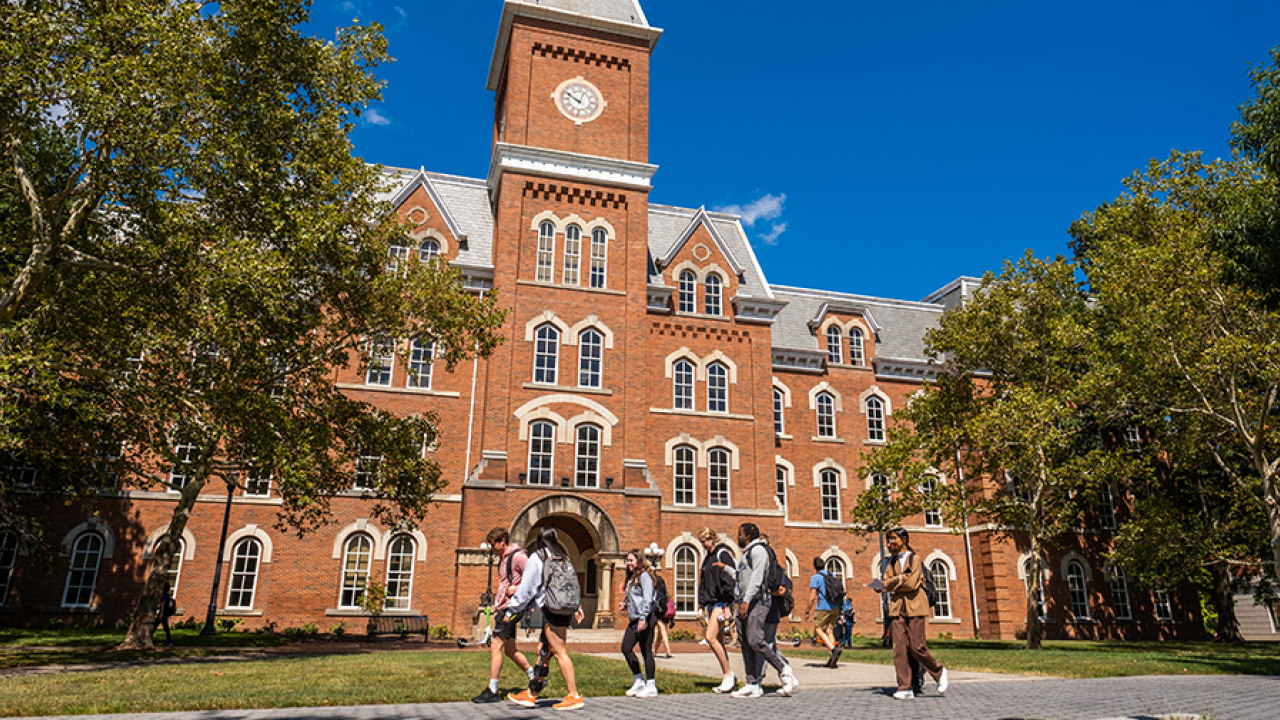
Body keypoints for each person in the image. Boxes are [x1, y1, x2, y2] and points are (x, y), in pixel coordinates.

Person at [505, 527, 587, 711]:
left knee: (559, 651)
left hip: (552, 610)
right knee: (543, 650)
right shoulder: (563, 557)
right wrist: (577, 606)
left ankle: (573, 695)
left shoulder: (539, 557)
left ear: (539, 539)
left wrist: (512, 611)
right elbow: (572, 585)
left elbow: (527, 587)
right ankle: (531, 693)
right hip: (563, 608)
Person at [872, 528, 948, 700]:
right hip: (898, 608)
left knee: (916, 647)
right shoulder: (890, 562)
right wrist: (900, 579)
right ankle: (904, 687)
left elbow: (913, 584)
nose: (889, 544)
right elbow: (886, 582)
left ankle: (939, 671)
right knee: (899, 649)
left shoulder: (915, 559)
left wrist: (892, 584)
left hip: (916, 607)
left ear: (904, 539)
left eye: (893, 539)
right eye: (888, 540)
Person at [732, 523, 798, 698]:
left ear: (748, 536)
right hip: (745, 601)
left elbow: (757, 577)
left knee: (756, 640)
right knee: (746, 644)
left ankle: (784, 669)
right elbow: (743, 577)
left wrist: (746, 601)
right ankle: (751, 683)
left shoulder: (758, 551)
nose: (737, 537)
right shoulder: (747, 553)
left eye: (739, 534)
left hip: (758, 601)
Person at [472, 527, 536, 703]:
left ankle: (492, 690)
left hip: (511, 608)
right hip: (504, 607)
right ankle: (534, 678)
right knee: (510, 650)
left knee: (496, 645)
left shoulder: (518, 557)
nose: (492, 548)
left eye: (494, 545)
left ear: (503, 541)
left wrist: (517, 589)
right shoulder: (503, 558)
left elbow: (534, 577)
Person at [695, 526, 737, 693]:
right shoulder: (707, 559)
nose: (703, 544)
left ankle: (728, 675)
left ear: (712, 539)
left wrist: (728, 604)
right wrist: (701, 605)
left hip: (721, 602)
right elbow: (703, 583)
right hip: (712, 603)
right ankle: (728, 676)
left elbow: (730, 578)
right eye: (701, 542)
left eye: (704, 541)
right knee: (718, 641)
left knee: (710, 637)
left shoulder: (722, 554)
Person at [618, 549, 660, 698]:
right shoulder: (633, 578)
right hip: (635, 618)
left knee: (646, 650)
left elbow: (647, 598)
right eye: (628, 560)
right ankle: (639, 680)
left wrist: (643, 618)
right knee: (626, 647)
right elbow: (635, 597)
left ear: (639, 560)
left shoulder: (644, 576)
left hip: (646, 617)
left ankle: (651, 685)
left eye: (631, 560)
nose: (629, 563)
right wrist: (626, 604)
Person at [803, 556, 842, 667]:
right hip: (835, 607)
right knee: (829, 630)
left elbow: (812, 597)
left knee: (818, 629)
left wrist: (807, 611)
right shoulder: (831, 575)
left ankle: (833, 649)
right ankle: (832, 660)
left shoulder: (815, 577)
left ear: (814, 567)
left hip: (823, 607)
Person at [651, 572, 674, 658]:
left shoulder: (654, 586)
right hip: (666, 612)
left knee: (662, 631)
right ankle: (654, 652)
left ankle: (668, 651)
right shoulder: (663, 588)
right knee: (660, 634)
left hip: (659, 612)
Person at [156, 581, 175, 648]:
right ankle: (169, 642)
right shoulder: (168, 594)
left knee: (154, 626)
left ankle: (147, 639)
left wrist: (160, 614)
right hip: (165, 613)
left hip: (163, 613)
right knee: (166, 628)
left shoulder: (164, 594)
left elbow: (163, 604)